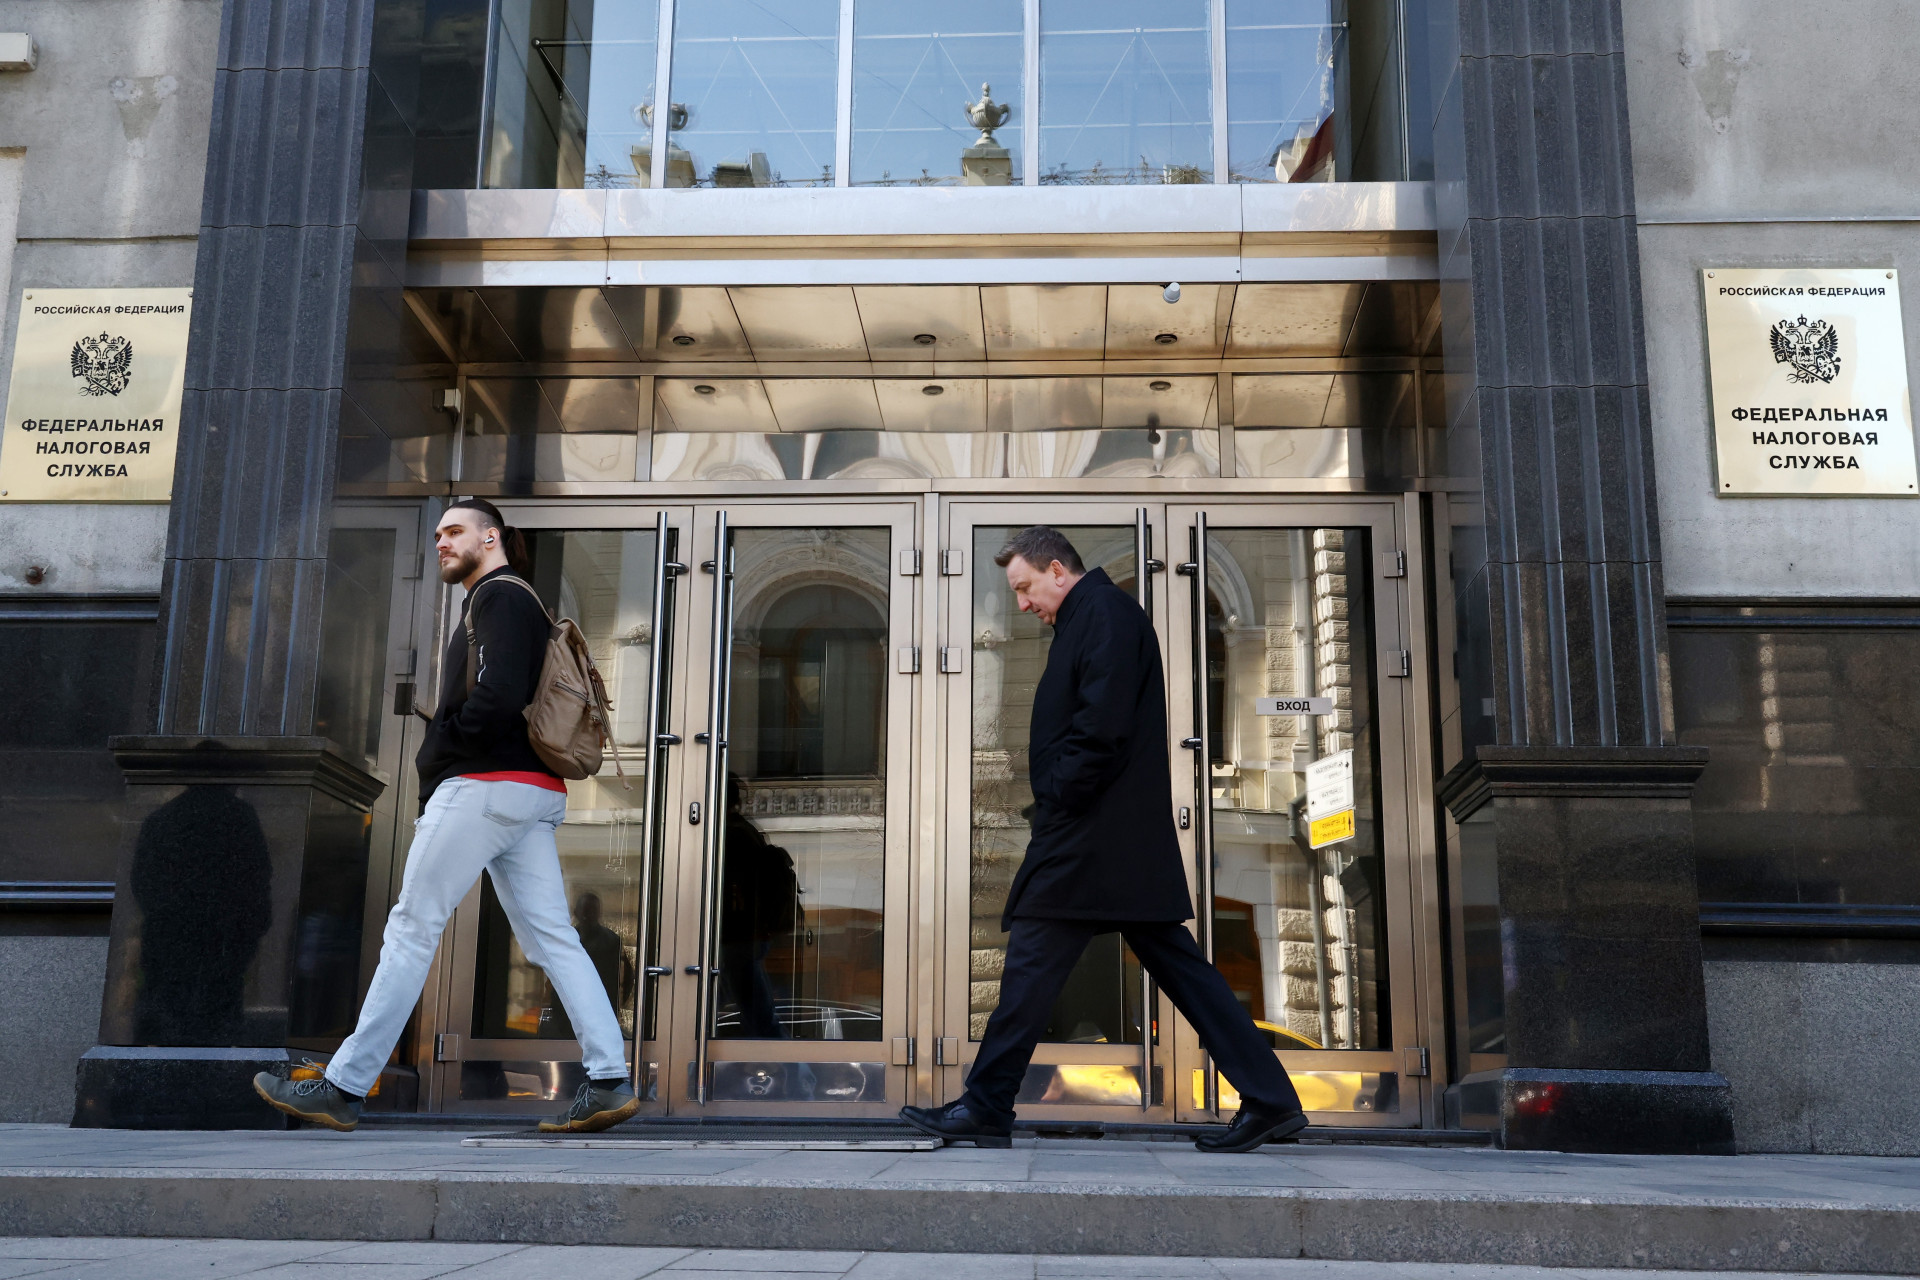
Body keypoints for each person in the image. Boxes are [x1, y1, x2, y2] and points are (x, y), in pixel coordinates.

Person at [900, 526, 1309, 1154]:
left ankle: (986, 1105)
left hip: (1089, 835)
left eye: (1025, 588)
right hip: (1104, 836)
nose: (1022, 603)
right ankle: (1272, 1101)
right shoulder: (1093, 615)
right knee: (1174, 970)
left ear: (1056, 570)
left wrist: (1058, 795)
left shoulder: (1103, 613)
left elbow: (1101, 725)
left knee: (1032, 967)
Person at [251, 498, 639, 1134]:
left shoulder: (498, 595)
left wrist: (441, 746)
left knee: (411, 929)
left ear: (492, 538)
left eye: (455, 531)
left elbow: (498, 695)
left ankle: (343, 1087)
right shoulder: (516, 601)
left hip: (484, 788)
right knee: (553, 941)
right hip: (530, 793)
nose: (441, 542)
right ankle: (608, 1080)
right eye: (436, 534)